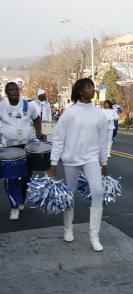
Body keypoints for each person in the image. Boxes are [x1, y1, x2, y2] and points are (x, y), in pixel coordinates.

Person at [49, 78, 109, 252]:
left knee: (98, 191)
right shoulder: (69, 113)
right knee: (70, 193)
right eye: (89, 87)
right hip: (71, 159)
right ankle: (68, 228)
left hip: (91, 158)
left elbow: (103, 141)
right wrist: (54, 163)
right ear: (80, 91)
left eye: (93, 87)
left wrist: (103, 162)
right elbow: (59, 139)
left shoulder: (99, 114)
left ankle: (94, 236)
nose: (93, 89)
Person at [0, 82, 43, 220]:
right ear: (6, 92)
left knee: (26, 176)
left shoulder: (28, 105)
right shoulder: (1, 106)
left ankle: (22, 198)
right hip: (9, 148)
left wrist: (39, 132)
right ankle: (14, 206)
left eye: (16, 89)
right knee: (11, 177)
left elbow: (37, 118)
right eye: (11, 90)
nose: (14, 91)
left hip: (26, 146)